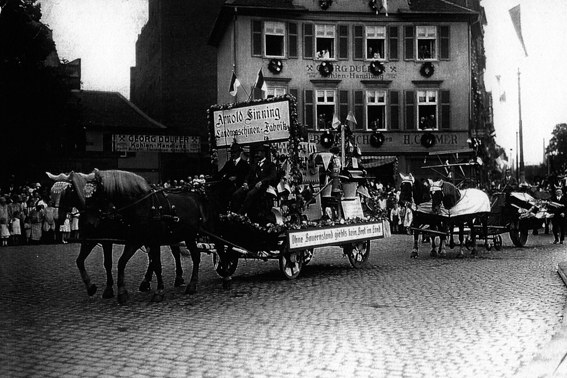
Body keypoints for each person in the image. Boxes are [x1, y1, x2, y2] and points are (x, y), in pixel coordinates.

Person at [232, 143, 277, 216]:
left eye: (258, 153)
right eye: (256, 153)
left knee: (250, 194)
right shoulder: (254, 165)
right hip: (252, 185)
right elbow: (248, 175)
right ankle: (234, 213)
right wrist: (245, 183)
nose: (256, 155)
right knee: (236, 194)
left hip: (263, 187)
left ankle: (241, 214)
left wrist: (262, 182)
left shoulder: (270, 165)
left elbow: (272, 176)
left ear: (263, 153)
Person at [213, 143, 250, 211]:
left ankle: (234, 212)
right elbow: (221, 173)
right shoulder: (229, 163)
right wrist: (211, 177)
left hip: (238, 185)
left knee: (231, 194)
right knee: (217, 191)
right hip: (227, 184)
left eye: (235, 152)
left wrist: (237, 178)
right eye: (232, 152)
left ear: (239, 152)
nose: (233, 154)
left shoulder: (244, 164)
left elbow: (246, 176)